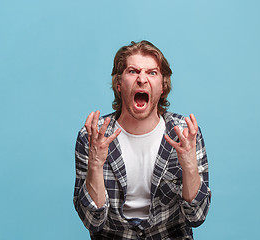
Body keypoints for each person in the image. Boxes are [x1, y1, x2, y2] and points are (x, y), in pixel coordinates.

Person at [74, 40, 211, 239]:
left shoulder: (185, 134)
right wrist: (95, 163)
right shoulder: (93, 136)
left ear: (163, 87)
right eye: (133, 71)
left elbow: (197, 216)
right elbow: (92, 221)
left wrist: (189, 166)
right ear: (119, 84)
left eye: (152, 72)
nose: (142, 79)